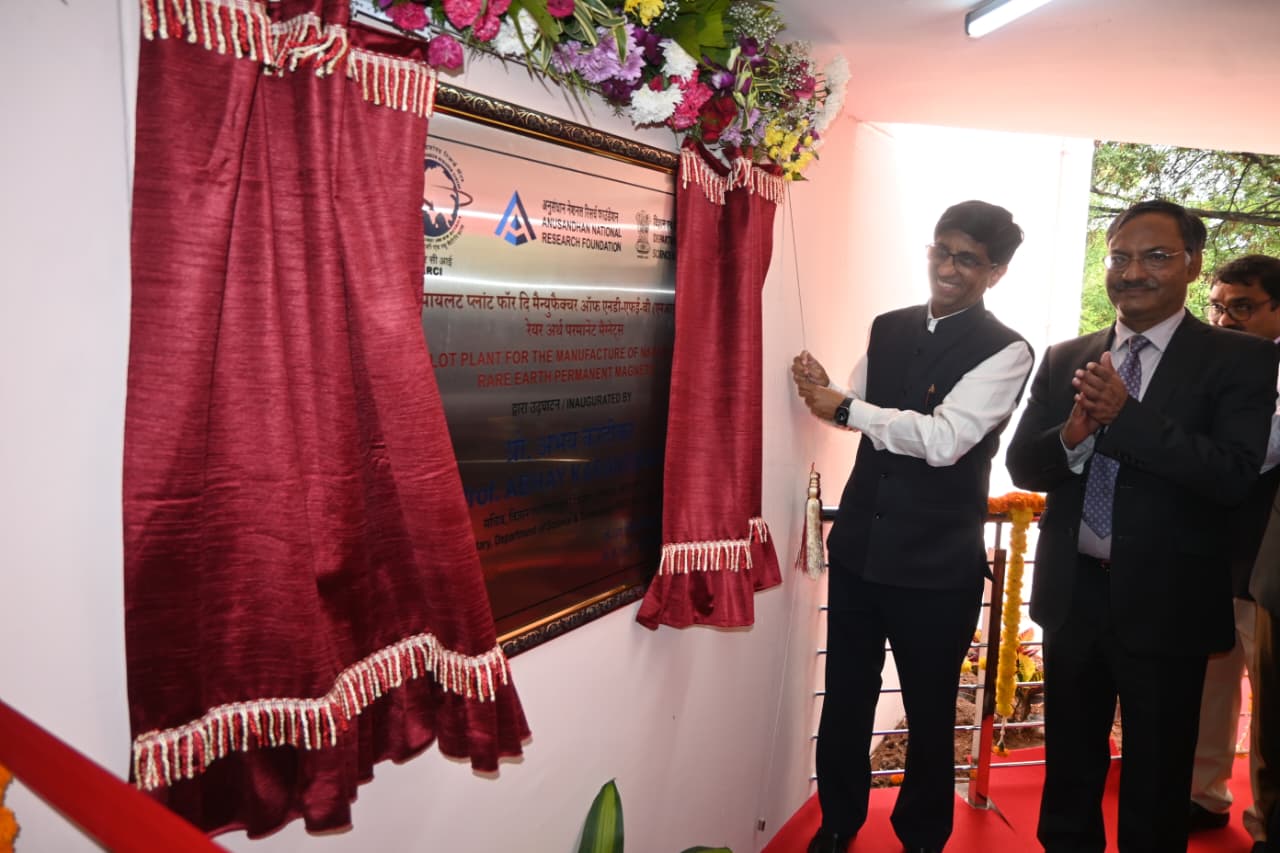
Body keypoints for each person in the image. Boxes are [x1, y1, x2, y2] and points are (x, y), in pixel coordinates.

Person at [1005, 200, 1279, 852]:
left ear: (1193, 263)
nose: (1133, 272)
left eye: (1156, 256)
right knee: (1070, 772)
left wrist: (1126, 419)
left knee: (1157, 781)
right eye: (1120, 257)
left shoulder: (1240, 359)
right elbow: (1023, 464)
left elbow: (1232, 475)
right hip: (1073, 596)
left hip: (1169, 602)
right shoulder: (1067, 355)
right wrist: (1073, 434)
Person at [792, 200, 1033, 853]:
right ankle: (838, 821)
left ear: (996, 272)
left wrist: (849, 408)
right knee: (846, 695)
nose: (948, 268)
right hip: (860, 549)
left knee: (929, 709)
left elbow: (946, 440)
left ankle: (923, 835)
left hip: (936, 564)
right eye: (941, 250)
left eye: (968, 259)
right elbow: (855, 408)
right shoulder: (889, 326)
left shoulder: (1007, 349)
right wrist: (830, 396)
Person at [1191, 254, 1280, 846]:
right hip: (1207, 554)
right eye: (1218, 306)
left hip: (1267, 566)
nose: (1225, 319)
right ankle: (1202, 795)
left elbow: (1256, 454)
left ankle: (1268, 822)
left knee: (1272, 704)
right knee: (1206, 686)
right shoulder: (1212, 363)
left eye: (1242, 306)